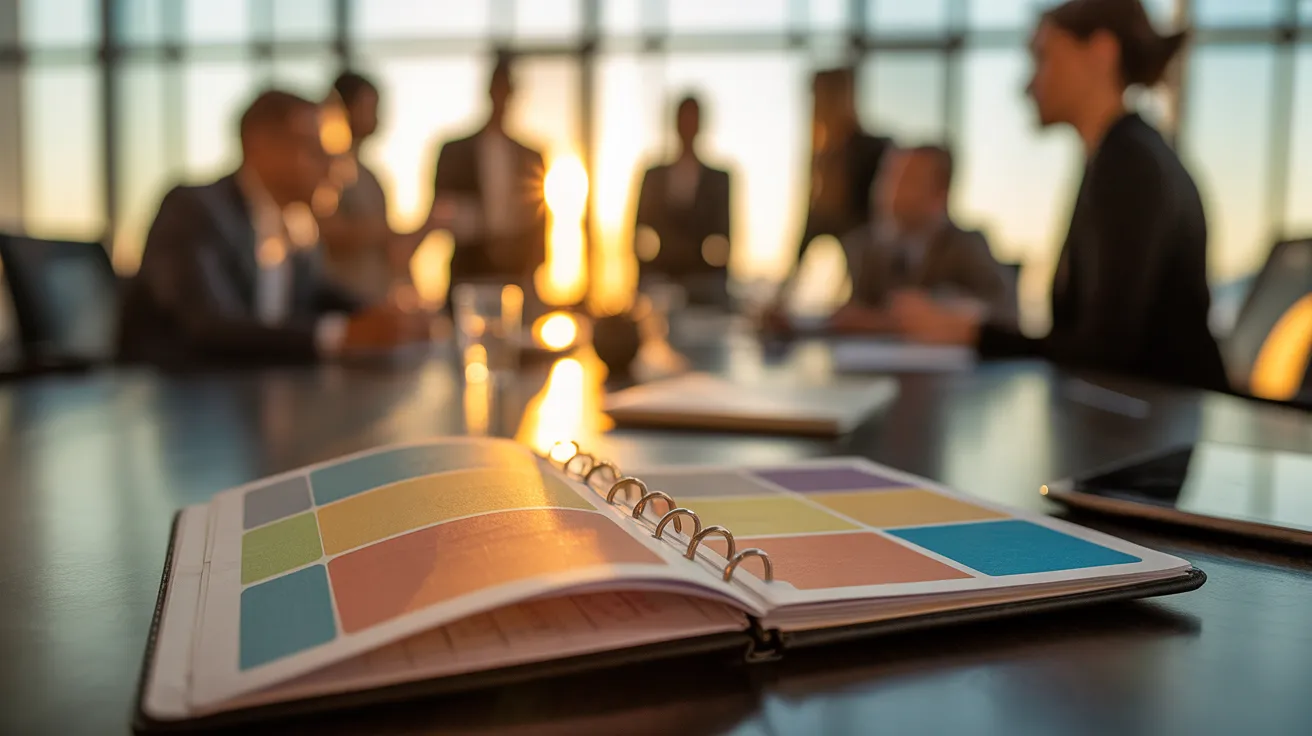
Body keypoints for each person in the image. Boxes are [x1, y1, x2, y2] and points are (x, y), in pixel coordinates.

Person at [892, 0, 1229, 392]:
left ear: (1101, 52)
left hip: (1157, 424)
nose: (1029, 84)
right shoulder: (1115, 155)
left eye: (1043, 57)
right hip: (1146, 416)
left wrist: (972, 332)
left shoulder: (1128, 164)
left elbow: (1105, 351)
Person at [119, 90, 428, 367]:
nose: (341, 174)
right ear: (262, 147)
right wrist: (340, 336)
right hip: (175, 407)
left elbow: (317, 294)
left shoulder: (294, 225)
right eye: (318, 152)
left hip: (250, 404)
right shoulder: (195, 210)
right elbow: (209, 327)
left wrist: (387, 318)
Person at [828, 145, 1013, 334]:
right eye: (888, 176)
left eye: (908, 179)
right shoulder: (861, 247)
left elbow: (1006, 310)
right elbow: (846, 315)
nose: (891, 189)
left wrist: (944, 313)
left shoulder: (966, 246)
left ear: (940, 193)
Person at [764, 67, 892, 327]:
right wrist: (782, 297)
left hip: (878, 294)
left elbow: (887, 225)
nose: (818, 107)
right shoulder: (823, 155)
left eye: (823, 98)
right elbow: (811, 225)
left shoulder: (876, 149)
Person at [317, 72, 451, 305]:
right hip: (340, 304)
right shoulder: (322, 171)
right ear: (345, 109)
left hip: (373, 305)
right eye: (371, 107)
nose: (378, 117)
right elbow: (330, 234)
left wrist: (427, 226)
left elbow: (394, 254)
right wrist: (388, 231)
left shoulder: (370, 177)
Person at [432, 53, 546, 289]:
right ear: (489, 90)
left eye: (507, 89)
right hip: (469, 268)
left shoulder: (531, 156)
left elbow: (540, 218)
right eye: (498, 88)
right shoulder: (454, 151)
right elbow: (441, 209)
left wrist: (534, 263)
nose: (502, 96)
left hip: (518, 271)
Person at [633, 95, 733, 307]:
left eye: (693, 119)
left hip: (703, 281)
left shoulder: (718, 179)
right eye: (684, 119)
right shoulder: (654, 176)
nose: (688, 126)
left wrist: (711, 274)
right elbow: (639, 230)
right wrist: (646, 275)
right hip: (659, 280)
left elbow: (724, 237)